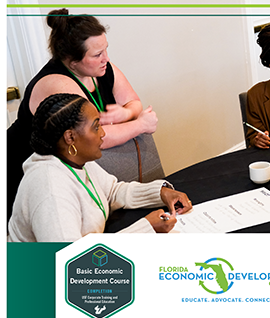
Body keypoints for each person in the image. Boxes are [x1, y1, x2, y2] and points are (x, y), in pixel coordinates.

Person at [7, 8, 158, 218]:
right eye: (97, 54)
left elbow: (134, 102)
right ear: (72, 61)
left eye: (105, 49)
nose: (106, 58)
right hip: (21, 172)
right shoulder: (57, 83)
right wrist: (141, 125)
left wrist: (124, 114)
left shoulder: (101, 69)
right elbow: (96, 138)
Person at [8, 94, 192, 242]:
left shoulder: (71, 160)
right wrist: (146, 229)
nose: (103, 133)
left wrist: (160, 193)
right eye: (96, 127)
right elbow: (69, 263)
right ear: (70, 137)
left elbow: (111, 191)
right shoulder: (50, 189)